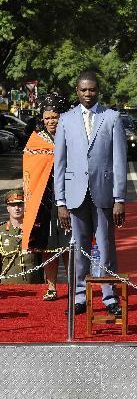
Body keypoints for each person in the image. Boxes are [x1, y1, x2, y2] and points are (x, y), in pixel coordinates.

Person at [54, 70, 127, 315]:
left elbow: (119, 161)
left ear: (98, 90)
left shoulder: (112, 117)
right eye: (83, 90)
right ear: (77, 91)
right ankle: (79, 297)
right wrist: (60, 201)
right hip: (75, 195)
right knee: (78, 248)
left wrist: (119, 198)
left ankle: (109, 297)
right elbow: (60, 163)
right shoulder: (65, 119)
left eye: (92, 89)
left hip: (104, 193)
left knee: (106, 247)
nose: (88, 94)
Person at [22, 93, 71, 300]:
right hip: (44, 201)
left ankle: (73, 286)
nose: (52, 121)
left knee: (71, 245)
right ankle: (51, 286)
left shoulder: (71, 137)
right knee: (48, 247)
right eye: (48, 117)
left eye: (55, 116)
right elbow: (31, 170)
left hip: (69, 200)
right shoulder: (35, 141)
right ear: (42, 119)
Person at [0, 189, 43, 283]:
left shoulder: (36, 229)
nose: (17, 208)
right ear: (7, 208)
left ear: (25, 206)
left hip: (34, 286)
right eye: (12, 205)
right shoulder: (1, 231)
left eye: (20, 204)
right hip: (8, 286)